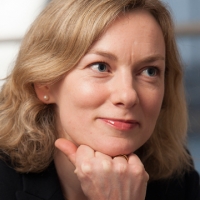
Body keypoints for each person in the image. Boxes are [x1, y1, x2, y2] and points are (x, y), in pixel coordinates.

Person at [0, 0, 199, 199]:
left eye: (149, 71)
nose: (128, 95)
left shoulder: (178, 178)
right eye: (101, 67)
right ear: (44, 83)